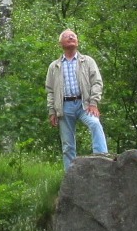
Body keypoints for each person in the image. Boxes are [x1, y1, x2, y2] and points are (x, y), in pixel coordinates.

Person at [46, 28, 108, 170]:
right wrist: (52, 111)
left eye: (73, 36)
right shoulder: (54, 66)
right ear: (60, 43)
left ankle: (102, 160)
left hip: (84, 104)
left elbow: (97, 83)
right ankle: (70, 176)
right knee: (67, 144)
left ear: (78, 42)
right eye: (67, 37)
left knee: (95, 124)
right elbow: (50, 90)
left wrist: (94, 103)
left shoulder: (87, 61)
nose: (71, 38)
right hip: (64, 107)